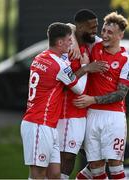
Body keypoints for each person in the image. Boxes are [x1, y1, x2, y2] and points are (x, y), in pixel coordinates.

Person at [20, 22, 92, 179]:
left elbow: (68, 29)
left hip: (47, 125)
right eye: (69, 40)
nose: (71, 42)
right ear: (60, 43)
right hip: (39, 124)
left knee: (54, 174)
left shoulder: (40, 57)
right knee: (38, 174)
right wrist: (85, 67)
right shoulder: (59, 65)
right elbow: (79, 89)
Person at [74, 11, 129, 179]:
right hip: (92, 114)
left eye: (110, 32)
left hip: (113, 117)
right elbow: (72, 28)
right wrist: (74, 43)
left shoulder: (127, 61)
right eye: (104, 31)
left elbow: (120, 94)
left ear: (120, 35)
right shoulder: (95, 45)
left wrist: (92, 99)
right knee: (95, 166)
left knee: (115, 165)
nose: (105, 35)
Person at [56, 9, 108, 179]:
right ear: (79, 27)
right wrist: (86, 68)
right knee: (68, 156)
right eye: (90, 27)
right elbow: (63, 83)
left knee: (99, 154)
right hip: (68, 112)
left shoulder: (89, 43)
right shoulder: (68, 49)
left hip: (86, 112)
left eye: (96, 26)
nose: (95, 30)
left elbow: (69, 26)